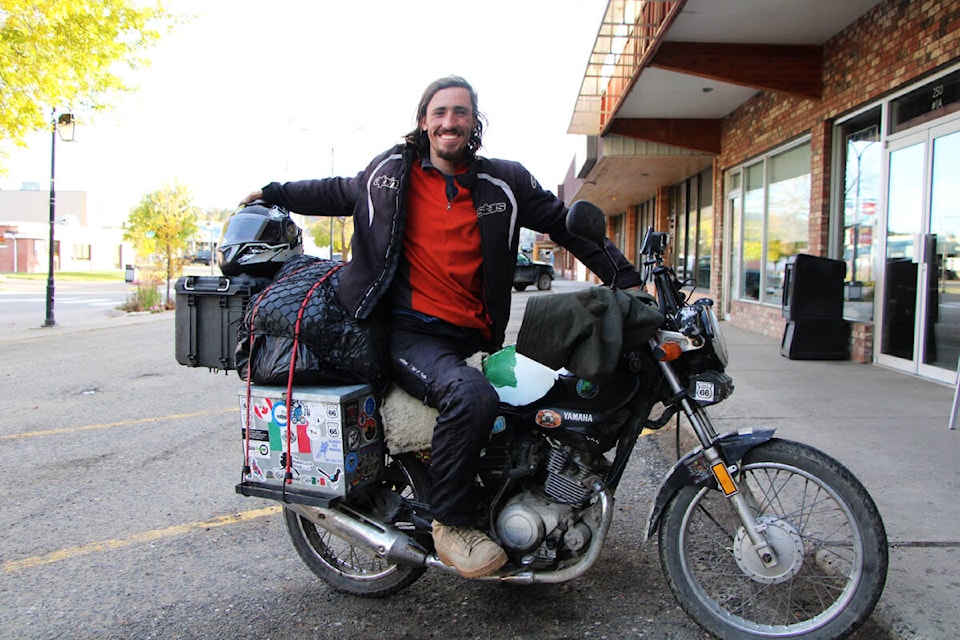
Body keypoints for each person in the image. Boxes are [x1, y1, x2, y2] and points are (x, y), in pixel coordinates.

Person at [241, 75, 641, 578]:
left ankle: (518, 498)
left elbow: (565, 224)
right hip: (411, 334)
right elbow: (336, 191)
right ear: (424, 122)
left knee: (546, 403)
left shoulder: (505, 182)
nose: (450, 121)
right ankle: (451, 525)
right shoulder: (391, 175)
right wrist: (273, 192)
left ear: (475, 123)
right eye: (440, 112)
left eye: (461, 112)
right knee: (472, 397)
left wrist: (627, 280)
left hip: (472, 334)